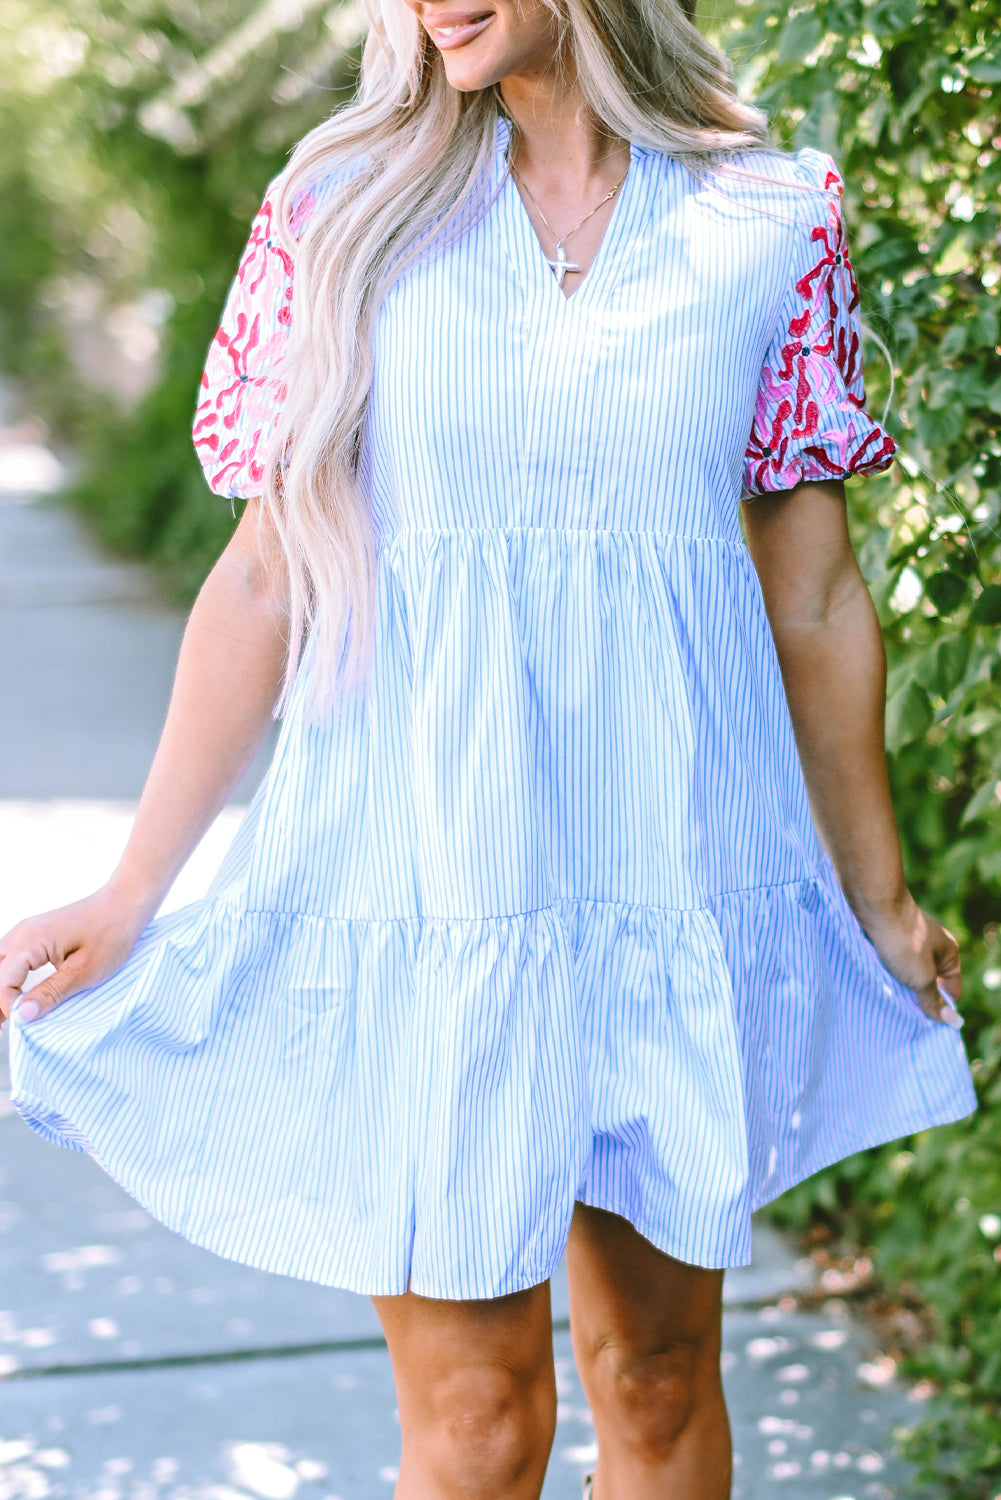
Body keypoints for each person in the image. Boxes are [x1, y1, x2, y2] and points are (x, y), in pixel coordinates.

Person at [0, 0, 977, 1493]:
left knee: (654, 1384)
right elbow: (266, 576)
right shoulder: (340, 211)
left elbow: (817, 592)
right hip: (432, 888)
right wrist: (135, 887)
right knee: (475, 1422)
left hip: (676, 881)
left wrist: (875, 894)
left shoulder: (771, 218)